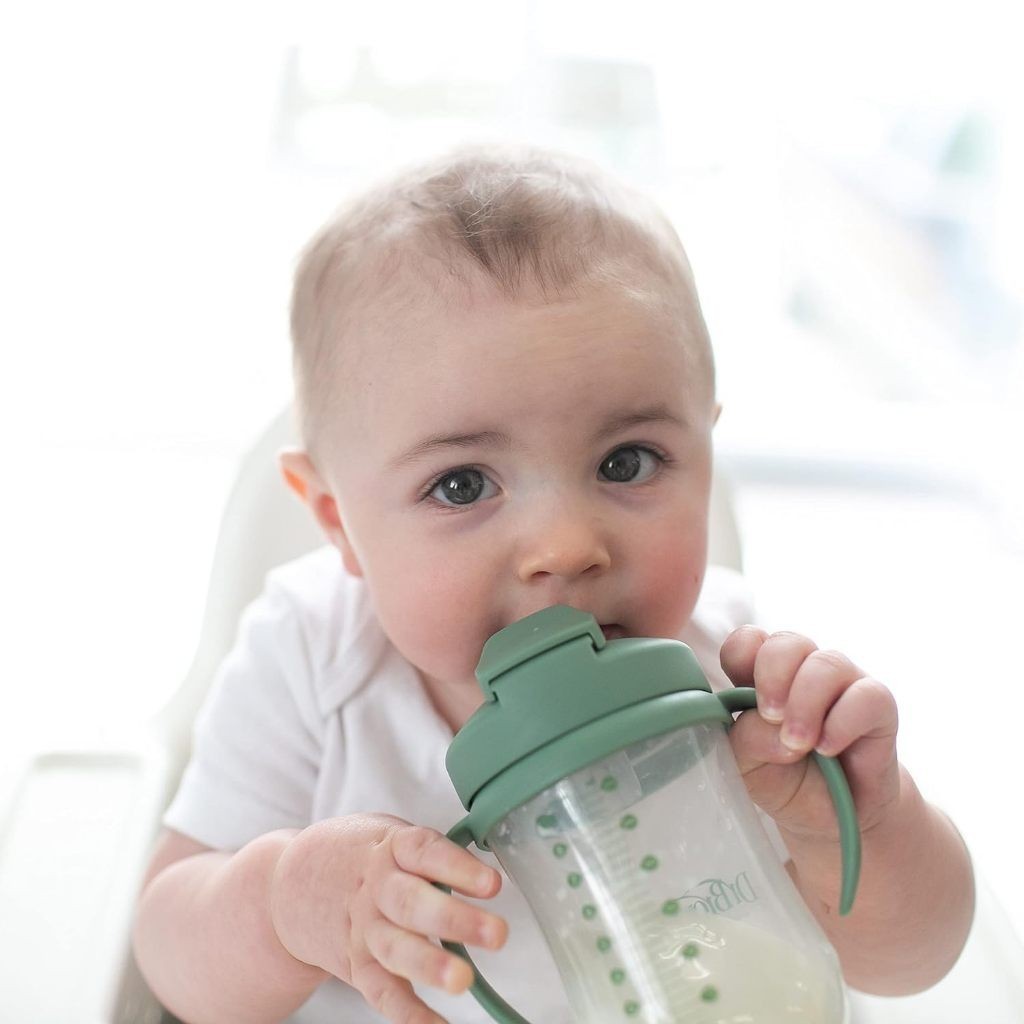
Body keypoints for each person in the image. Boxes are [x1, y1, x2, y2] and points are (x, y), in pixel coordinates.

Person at [132, 142, 975, 1024]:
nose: (565, 547)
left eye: (628, 460)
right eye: (461, 485)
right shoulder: (310, 660)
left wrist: (864, 823)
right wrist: (280, 904)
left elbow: (912, 963)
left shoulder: (740, 679)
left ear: (704, 450)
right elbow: (166, 954)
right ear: (340, 521)